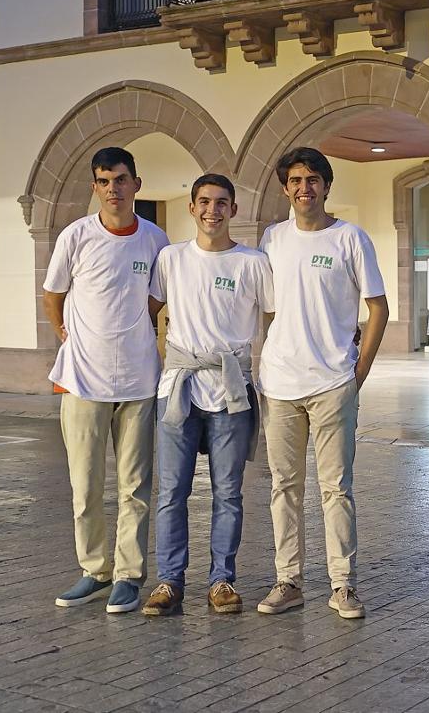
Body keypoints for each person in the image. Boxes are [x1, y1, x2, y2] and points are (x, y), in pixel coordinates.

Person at [255, 147, 390, 620]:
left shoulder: (350, 238)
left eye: (312, 179)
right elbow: (268, 308)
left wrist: (360, 372)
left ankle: (343, 586)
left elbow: (378, 307)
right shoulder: (272, 239)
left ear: (326, 186)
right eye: (295, 180)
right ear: (284, 188)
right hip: (280, 384)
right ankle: (288, 581)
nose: (303, 188)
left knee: (336, 488)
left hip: (333, 382)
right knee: (284, 486)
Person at [42, 147, 168, 613]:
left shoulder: (155, 240)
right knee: (86, 485)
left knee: (135, 486)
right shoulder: (75, 236)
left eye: (119, 179)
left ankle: (129, 577)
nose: (112, 188)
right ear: (94, 186)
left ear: (137, 183)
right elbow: (53, 294)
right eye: (102, 181)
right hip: (82, 381)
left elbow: (155, 301)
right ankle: (95, 571)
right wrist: (64, 335)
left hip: (138, 382)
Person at [142, 174, 274, 617]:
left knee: (228, 492)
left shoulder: (252, 263)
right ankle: (168, 580)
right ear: (192, 208)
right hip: (178, 387)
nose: (212, 210)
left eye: (221, 202)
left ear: (233, 209)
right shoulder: (171, 259)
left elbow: (274, 322)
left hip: (232, 389)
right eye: (203, 202)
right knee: (171, 491)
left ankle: (221, 579)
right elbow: (146, 313)